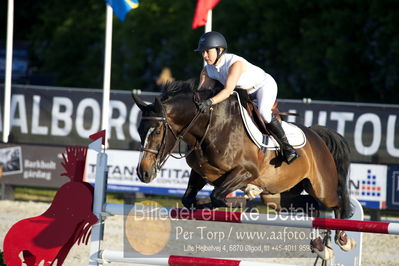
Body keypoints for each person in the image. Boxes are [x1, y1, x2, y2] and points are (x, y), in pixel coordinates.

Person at [194, 31, 299, 164]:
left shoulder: (234, 63)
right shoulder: (207, 70)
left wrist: (209, 102)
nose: (204, 55)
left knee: (264, 113)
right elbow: (202, 91)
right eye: (202, 52)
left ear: (220, 50)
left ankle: (288, 148)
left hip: (263, 86)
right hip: (243, 93)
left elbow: (227, 91)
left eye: (207, 51)